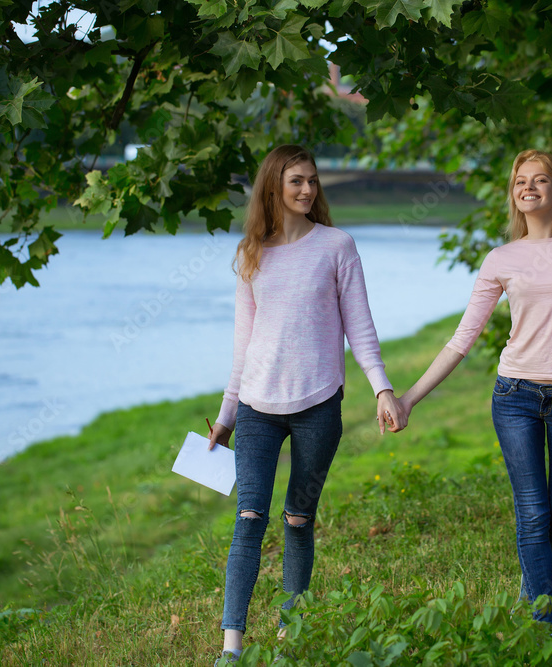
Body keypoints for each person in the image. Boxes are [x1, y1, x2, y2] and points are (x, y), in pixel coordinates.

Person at [393, 149, 552, 629]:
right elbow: (462, 339)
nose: (529, 187)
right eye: (521, 181)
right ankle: (543, 629)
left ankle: (527, 596)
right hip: (515, 396)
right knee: (533, 517)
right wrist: (409, 396)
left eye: (541, 180)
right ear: (513, 195)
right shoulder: (501, 259)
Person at [206, 144, 406, 663]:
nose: (307, 190)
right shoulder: (251, 253)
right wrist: (226, 416)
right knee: (249, 517)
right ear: (273, 186)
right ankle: (231, 649)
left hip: (319, 406)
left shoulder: (337, 246)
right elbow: (242, 347)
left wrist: (382, 388)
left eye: (312, 181)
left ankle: (289, 635)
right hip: (256, 407)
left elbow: (360, 327)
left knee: (298, 518)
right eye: (296, 181)